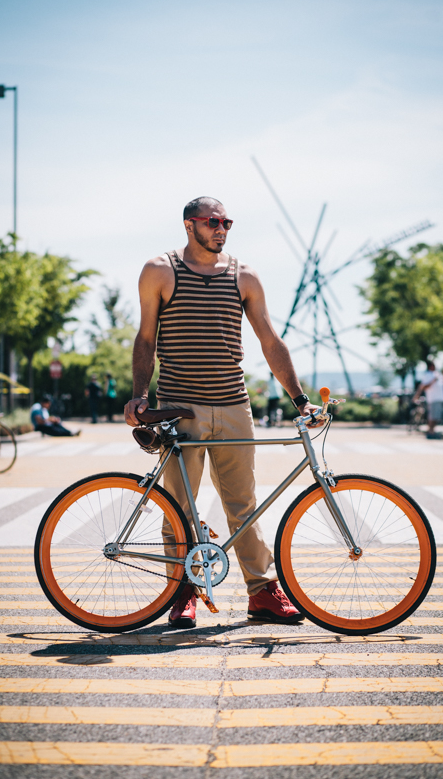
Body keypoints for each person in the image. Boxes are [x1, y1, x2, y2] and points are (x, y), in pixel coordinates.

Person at [125, 196, 320, 629]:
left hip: (234, 404)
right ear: (189, 224)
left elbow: (270, 341)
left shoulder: (243, 275)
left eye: (226, 222)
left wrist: (300, 399)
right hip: (180, 407)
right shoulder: (160, 270)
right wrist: (140, 395)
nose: (221, 229)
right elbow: (145, 338)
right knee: (179, 507)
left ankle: (263, 592)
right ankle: (184, 592)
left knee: (243, 503)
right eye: (213, 221)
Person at [414, 359, 443, 438]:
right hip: (433, 399)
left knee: (435, 416)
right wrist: (433, 381)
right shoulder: (428, 375)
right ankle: (430, 432)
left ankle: (432, 431)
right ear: (431, 366)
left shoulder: (437, 374)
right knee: (432, 416)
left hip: (438, 398)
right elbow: (423, 386)